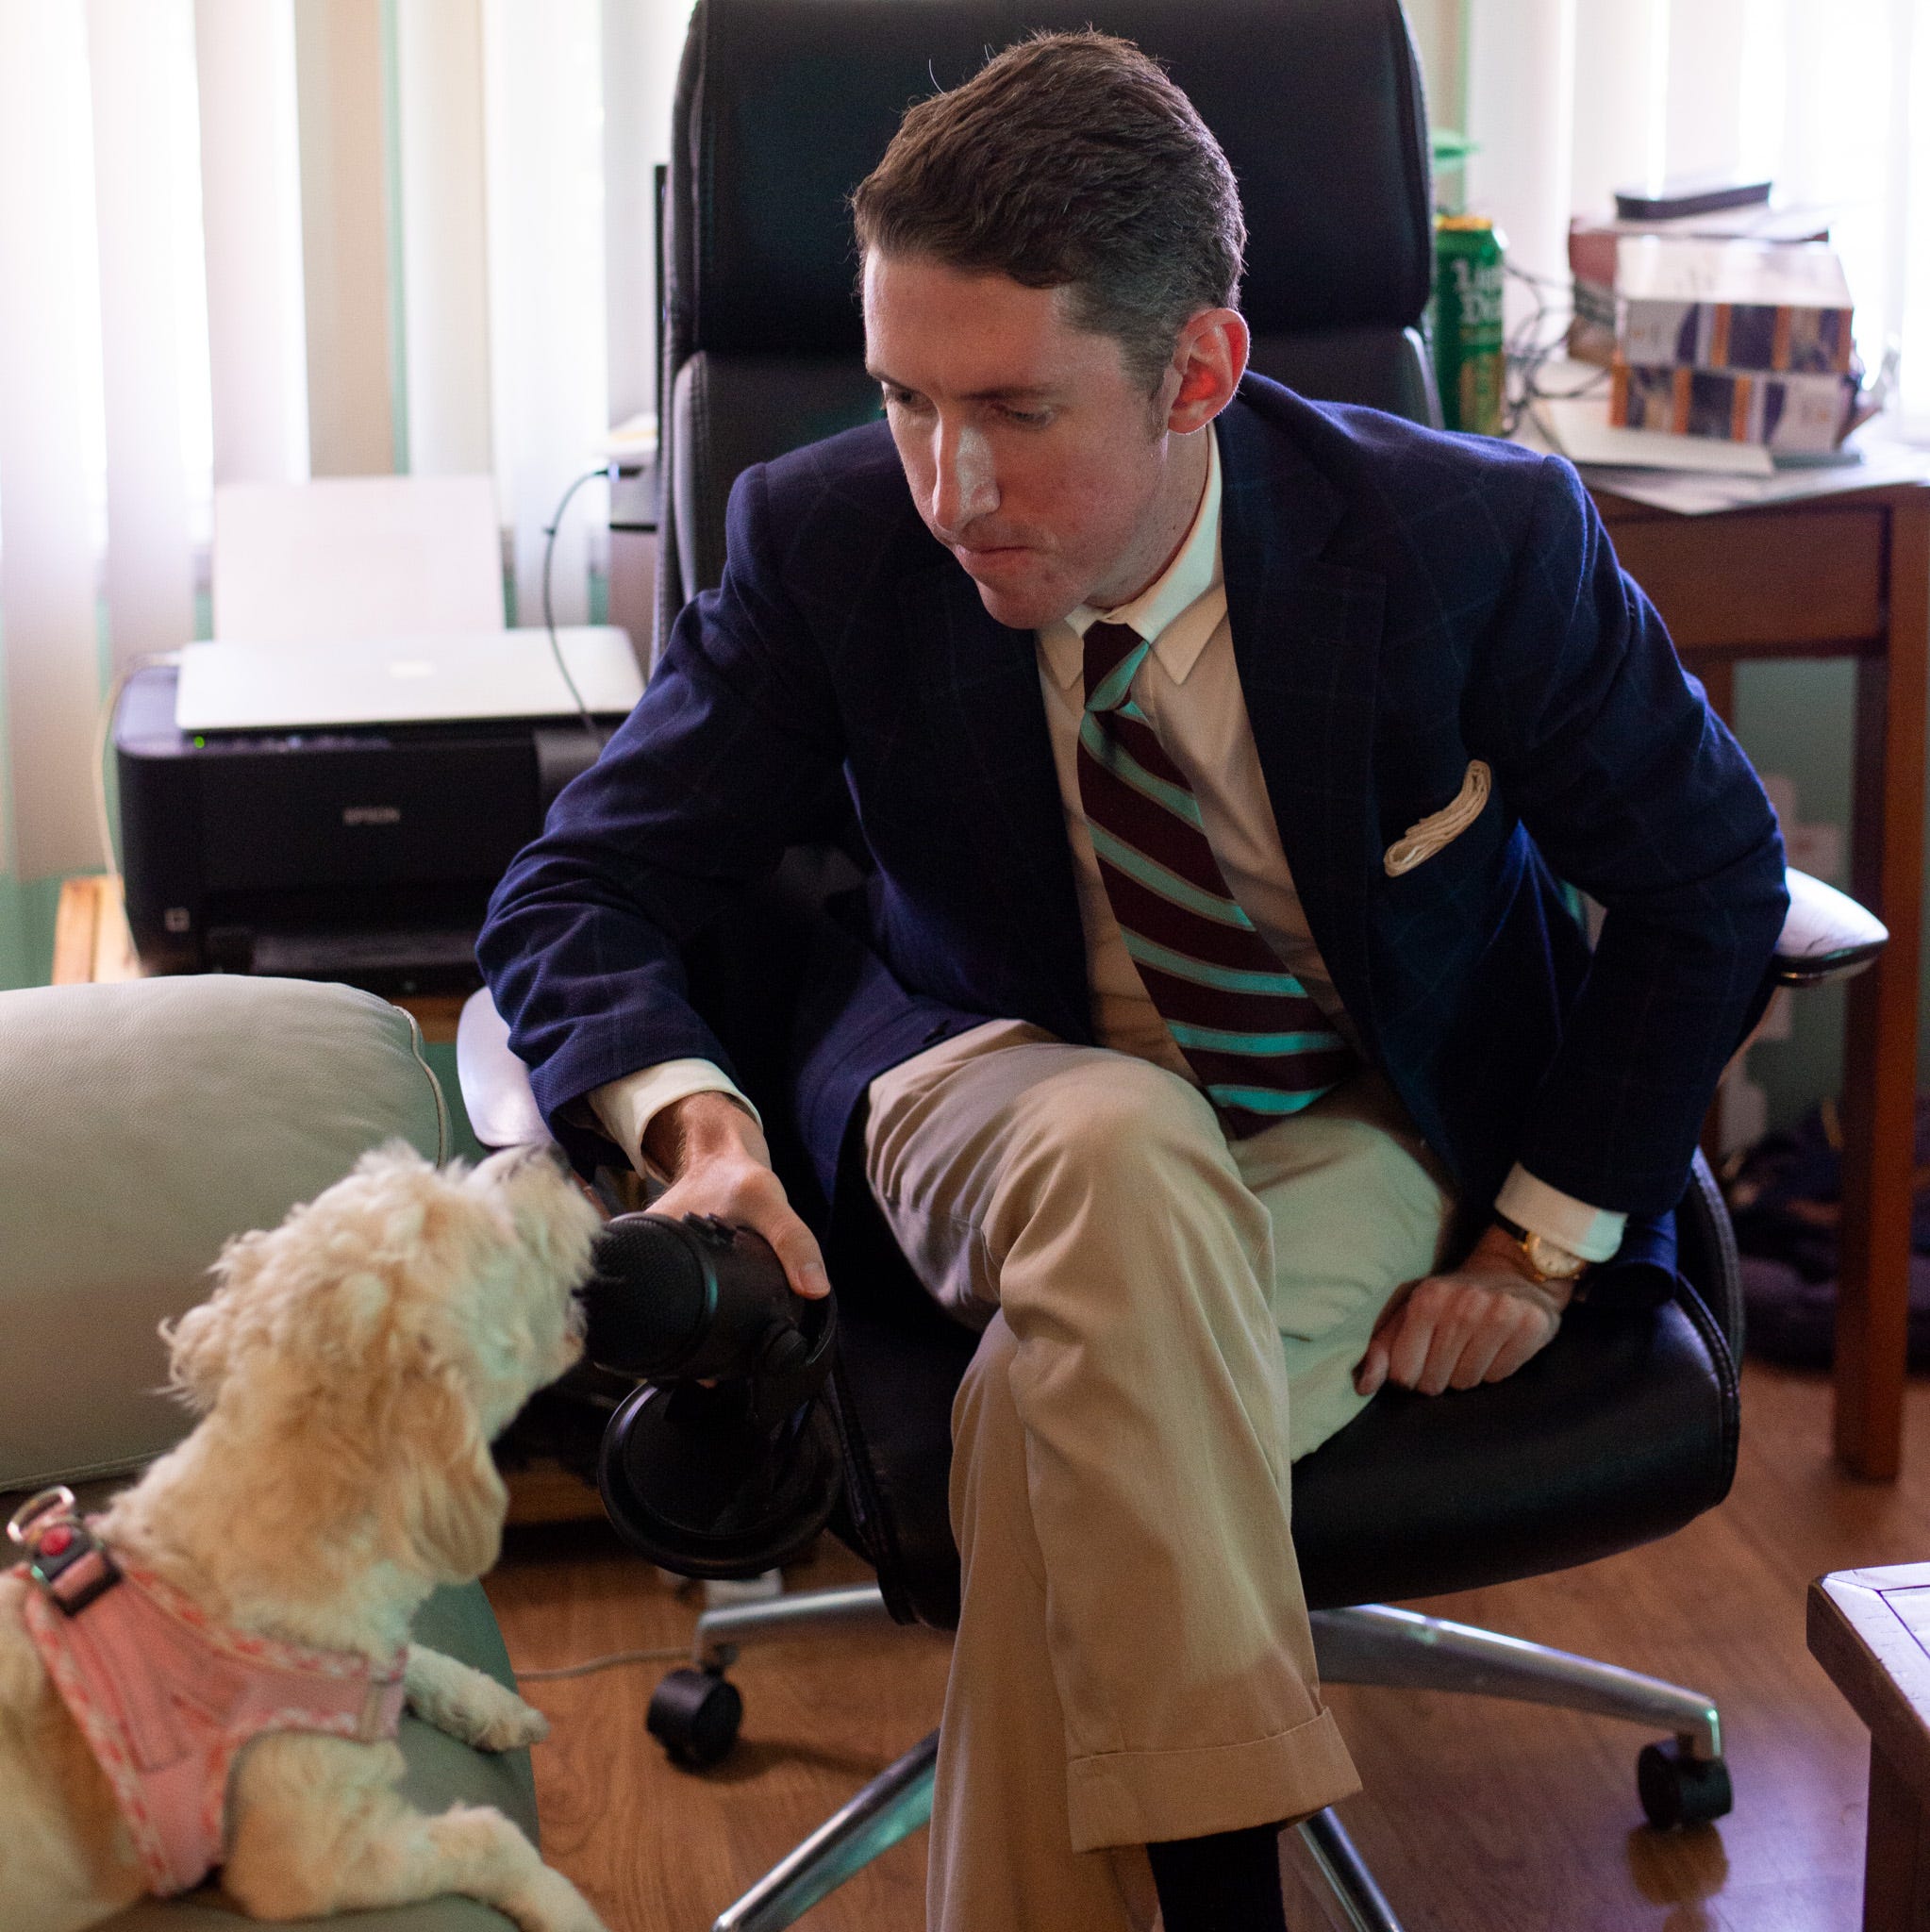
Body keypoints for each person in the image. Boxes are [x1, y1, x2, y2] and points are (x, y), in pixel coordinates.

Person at [479, 30, 1786, 1932]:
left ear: (1202, 373)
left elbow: (1711, 877)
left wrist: (1533, 1248)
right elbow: (578, 883)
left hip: (1359, 1126)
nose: (945, 480)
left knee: (1053, 1434)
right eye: (902, 398)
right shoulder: (829, 537)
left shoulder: (1466, 545)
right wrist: (699, 1125)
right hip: (984, 1079)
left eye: (1012, 410)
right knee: (1116, 1143)